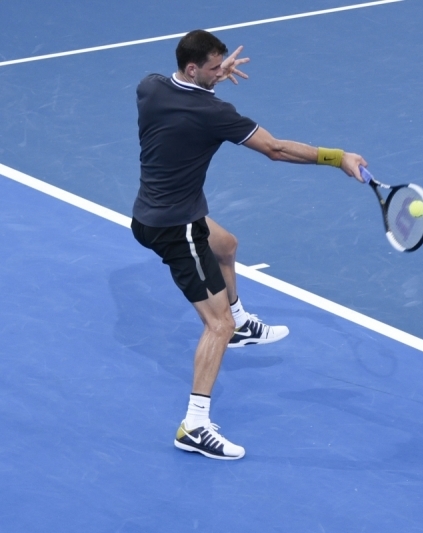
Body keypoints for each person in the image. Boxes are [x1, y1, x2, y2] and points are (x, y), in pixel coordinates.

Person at [131, 29, 367, 460]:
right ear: (192, 69)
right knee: (215, 326)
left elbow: (182, 100)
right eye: (214, 68)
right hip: (176, 227)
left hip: (149, 211)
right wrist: (338, 158)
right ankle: (194, 426)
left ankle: (241, 323)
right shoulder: (213, 113)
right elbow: (275, 148)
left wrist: (212, 77)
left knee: (226, 245)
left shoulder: (150, 87)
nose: (220, 73)